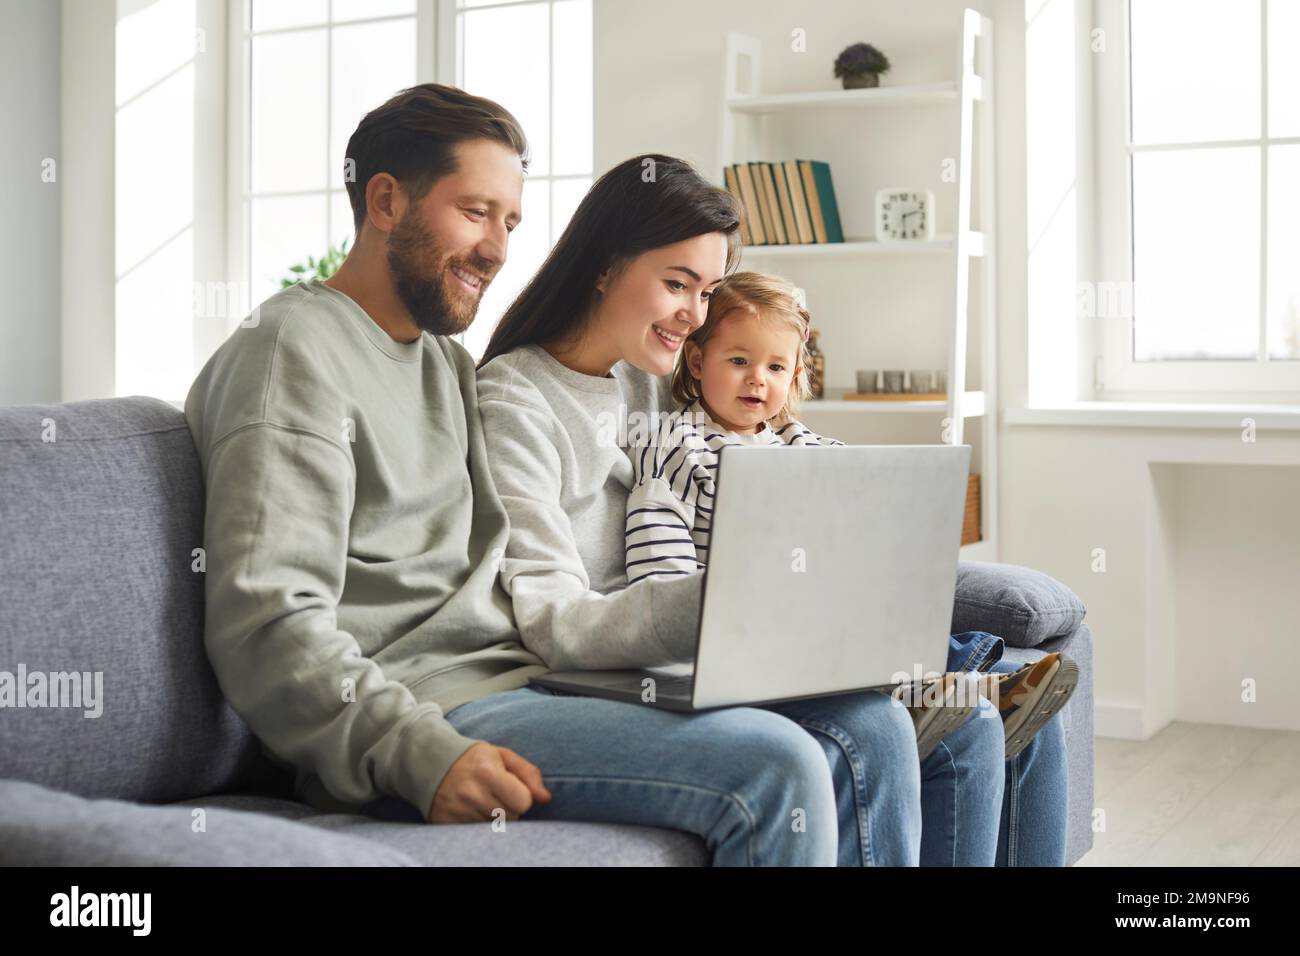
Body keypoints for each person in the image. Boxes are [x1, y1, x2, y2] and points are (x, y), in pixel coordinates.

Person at [184, 83, 835, 865]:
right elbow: (266, 623)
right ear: (385, 200)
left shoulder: (445, 365)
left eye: (511, 221)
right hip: (440, 707)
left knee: (853, 723)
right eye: (474, 212)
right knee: (774, 764)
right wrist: (417, 752)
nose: (498, 247)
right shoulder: (289, 351)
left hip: (525, 686)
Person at [475, 153, 1069, 865]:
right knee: (875, 726)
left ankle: (952, 669)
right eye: (676, 284)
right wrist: (733, 593)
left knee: (977, 720)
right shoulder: (515, 401)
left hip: (729, 638)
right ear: (604, 265)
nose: (694, 316)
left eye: (707, 291)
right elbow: (554, 622)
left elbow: (758, 417)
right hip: (620, 664)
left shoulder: (652, 372)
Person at [622, 269, 1079, 763]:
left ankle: (954, 688)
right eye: (738, 360)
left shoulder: (797, 443)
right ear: (696, 359)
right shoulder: (678, 445)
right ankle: (943, 694)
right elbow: (658, 578)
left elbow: (858, 500)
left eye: (777, 367)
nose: (758, 378)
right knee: (834, 628)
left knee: (879, 606)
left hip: (816, 613)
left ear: (795, 375)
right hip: (740, 628)